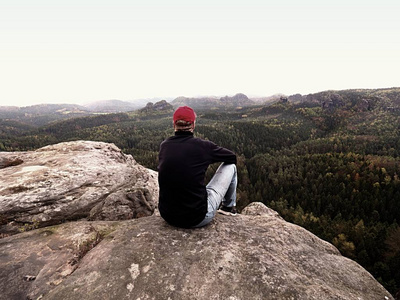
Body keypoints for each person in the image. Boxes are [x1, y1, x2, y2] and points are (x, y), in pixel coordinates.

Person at [158, 106, 238, 228]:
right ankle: (227, 207)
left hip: (168, 216)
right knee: (231, 167)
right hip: (197, 217)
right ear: (193, 125)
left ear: (174, 124)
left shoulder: (164, 146)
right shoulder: (203, 146)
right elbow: (232, 158)